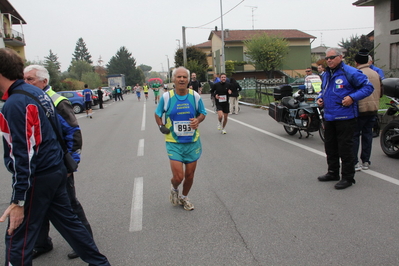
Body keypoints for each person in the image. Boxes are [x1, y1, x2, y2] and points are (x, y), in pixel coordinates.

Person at [0, 48, 111, 266]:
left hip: (38, 176)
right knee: (70, 224)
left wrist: (18, 199)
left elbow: (23, 154)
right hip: (54, 170)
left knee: (17, 237)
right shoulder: (38, 94)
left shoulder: (14, 104)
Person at [23, 65, 93, 260]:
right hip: (38, 164)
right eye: (24, 79)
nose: (26, 83)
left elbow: (74, 133)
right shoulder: (29, 99)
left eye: (30, 79)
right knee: (38, 204)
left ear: (44, 82)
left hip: (58, 164)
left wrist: (72, 164)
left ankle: (85, 241)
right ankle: (41, 243)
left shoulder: (57, 101)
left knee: (70, 203)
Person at [316, 47, 374, 190]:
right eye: (327, 58)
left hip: (346, 117)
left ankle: (348, 178)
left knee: (345, 149)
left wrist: (352, 98)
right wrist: (319, 98)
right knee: (330, 147)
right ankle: (332, 172)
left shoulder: (350, 72)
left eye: (332, 57)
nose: (329, 60)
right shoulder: (325, 74)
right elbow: (322, 90)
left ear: (340, 57)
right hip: (329, 116)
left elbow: (368, 87)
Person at [154, 66, 206, 211]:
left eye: (184, 77)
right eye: (179, 77)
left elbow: (202, 113)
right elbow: (157, 114)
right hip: (174, 142)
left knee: (189, 175)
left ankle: (184, 197)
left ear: (188, 80)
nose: (182, 79)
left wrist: (198, 120)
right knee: (178, 177)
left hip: (192, 142)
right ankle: (174, 187)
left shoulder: (195, 96)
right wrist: (161, 126)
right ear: (173, 80)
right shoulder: (166, 97)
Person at [353, 49, 382, 171]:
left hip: (360, 109)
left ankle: (354, 162)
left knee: (354, 136)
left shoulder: (356, 73)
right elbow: (381, 92)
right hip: (373, 108)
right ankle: (366, 161)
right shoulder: (376, 73)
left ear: (356, 62)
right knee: (367, 135)